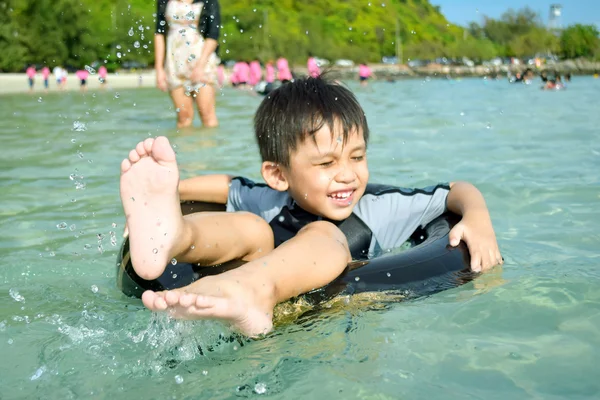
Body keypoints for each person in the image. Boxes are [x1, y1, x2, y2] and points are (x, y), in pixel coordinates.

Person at [120, 76, 503, 337]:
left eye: (357, 157)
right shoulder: (270, 198)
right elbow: (227, 186)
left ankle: (253, 289)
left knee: (323, 234)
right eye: (326, 164)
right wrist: (170, 194)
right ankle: (174, 237)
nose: (348, 176)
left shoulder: (381, 208)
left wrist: (478, 218)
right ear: (279, 174)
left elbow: (455, 190)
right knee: (250, 228)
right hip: (246, 270)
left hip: (300, 293)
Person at [155, 0, 221, 128]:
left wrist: (200, 66)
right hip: (174, 62)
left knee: (207, 115)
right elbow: (159, 34)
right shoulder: (164, 1)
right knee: (183, 117)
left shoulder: (209, 1)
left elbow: (213, 35)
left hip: (202, 60)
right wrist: (159, 68)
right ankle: (183, 147)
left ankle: (210, 147)